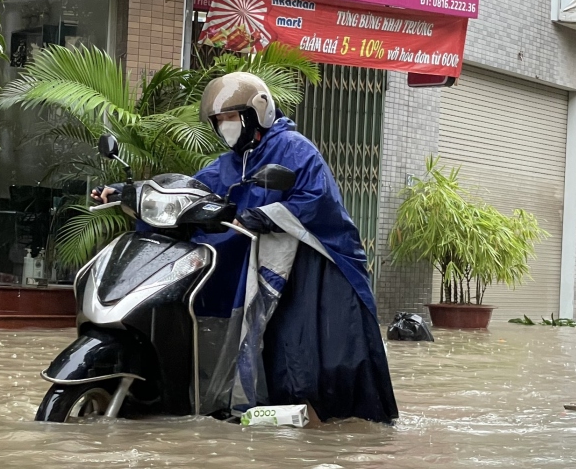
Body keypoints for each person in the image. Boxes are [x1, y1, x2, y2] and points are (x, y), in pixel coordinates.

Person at [92, 71, 398, 424]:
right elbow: (190, 191)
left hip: (311, 265)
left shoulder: (295, 149)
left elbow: (317, 199)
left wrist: (267, 216)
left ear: (257, 113)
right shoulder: (229, 164)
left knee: (302, 356)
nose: (226, 126)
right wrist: (122, 192)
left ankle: (321, 427)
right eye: (219, 120)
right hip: (255, 261)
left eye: (231, 117)